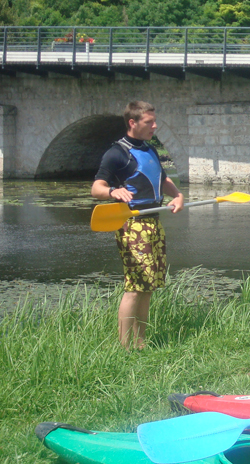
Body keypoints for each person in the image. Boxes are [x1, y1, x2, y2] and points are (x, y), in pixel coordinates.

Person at [91, 101, 184, 349]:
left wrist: (178, 195)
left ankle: (140, 343)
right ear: (133, 122)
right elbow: (96, 188)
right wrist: (112, 192)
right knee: (135, 286)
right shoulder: (117, 153)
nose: (155, 126)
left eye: (154, 121)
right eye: (149, 122)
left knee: (148, 286)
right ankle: (124, 347)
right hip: (131, 225)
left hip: (154, 222)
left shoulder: (150, 149)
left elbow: (162, 179)